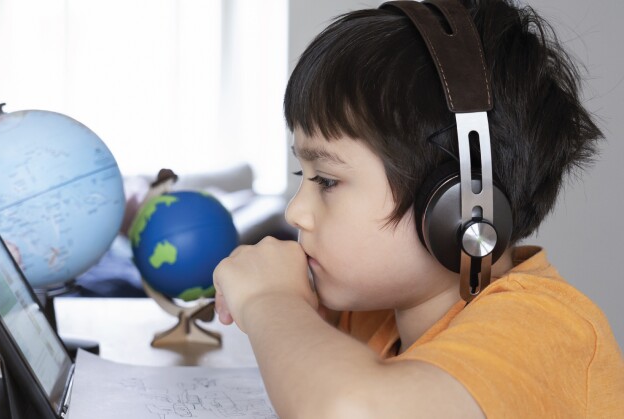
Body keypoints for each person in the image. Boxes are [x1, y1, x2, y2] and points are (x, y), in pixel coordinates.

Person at [212, 0, 624, 417]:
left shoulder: (542, 330)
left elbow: (350, 411)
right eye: (304, 175)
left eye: (327, 180)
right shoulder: (371, 312)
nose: (295, 212)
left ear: (458, 206)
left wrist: (270, 300)